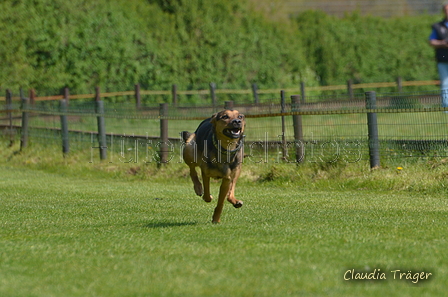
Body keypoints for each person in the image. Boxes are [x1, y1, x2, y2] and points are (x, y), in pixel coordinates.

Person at [429, 3, 448, 109]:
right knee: (445, 84)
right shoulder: (438, 26)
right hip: (443, 59)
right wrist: (443, 43)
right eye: (445, 10)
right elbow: (431, 41)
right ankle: (446, 108)